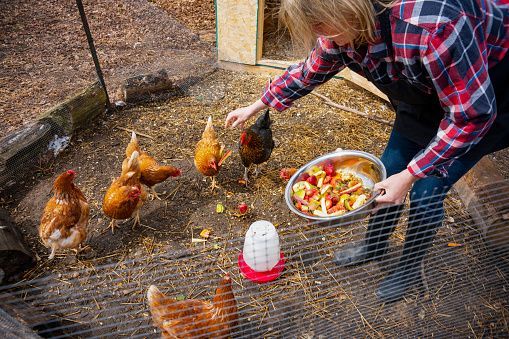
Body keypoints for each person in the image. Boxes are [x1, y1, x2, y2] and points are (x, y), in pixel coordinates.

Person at [225, 0, 509, 302]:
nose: (321, 36)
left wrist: (412, 174)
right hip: (426, 94)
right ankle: (375, 245)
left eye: (322, 26)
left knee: (427, 190)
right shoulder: (343, 33)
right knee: (388, 169)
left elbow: (471, 115)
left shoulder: (434, 26)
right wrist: (257, 105)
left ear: (347, 11)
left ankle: (408, 269)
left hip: (483, 92)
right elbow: (309, 70)